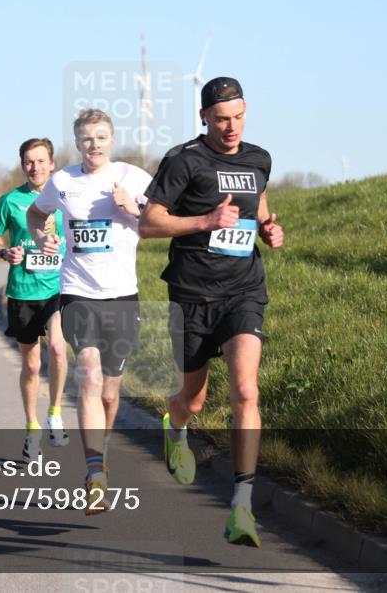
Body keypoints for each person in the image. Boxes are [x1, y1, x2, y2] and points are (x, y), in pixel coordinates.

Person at [139, 77, 285, 546]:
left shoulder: (258, 157)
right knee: (194, 398)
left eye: (239, 117)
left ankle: (242, 505)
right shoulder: (184, 160)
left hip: (243, 289)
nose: (231, 127)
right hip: (192, 293)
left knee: (246, 390)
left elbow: (257, 198)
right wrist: (204, 221)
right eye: (222, 118)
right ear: (203, 116)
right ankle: (175, 424)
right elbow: (149, 222)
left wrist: (267, 227)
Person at [26, 109, 153, 515]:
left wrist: (132, 208)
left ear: (112, 140)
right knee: (89, 376)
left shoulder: (134, 177)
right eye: (86, 138)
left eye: (100, 137)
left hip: (122, 295)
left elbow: (156, 224)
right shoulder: (62, 181)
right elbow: (36, 214)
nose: (94, 144)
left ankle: (102, 449)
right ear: (77, 143)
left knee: (111, 390)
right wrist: (40, 237)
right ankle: (94, 472)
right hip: (77, 293)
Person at [0, 138, 70, 462]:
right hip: (22, 291)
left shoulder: (66, 198)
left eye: (40, 160)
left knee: (59, 348)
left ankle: (55, 413)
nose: (34, 167)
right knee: (32, 366)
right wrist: (4, 251)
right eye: (28, 162)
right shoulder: (10, 201)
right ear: (23, 166)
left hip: (59, 287)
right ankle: (32, 428)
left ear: (52, 163)